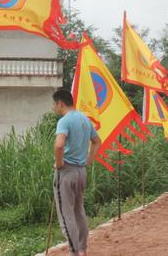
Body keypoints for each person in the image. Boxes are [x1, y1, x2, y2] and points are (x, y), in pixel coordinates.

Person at [52, 89, 101, 256]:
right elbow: (96, 141)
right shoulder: (84, 119)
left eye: (55, 105)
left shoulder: (64, 121)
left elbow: (59, 145)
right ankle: (82, 249)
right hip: (81, 172)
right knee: (79, 210)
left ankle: (73, 252)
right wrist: (89, 160)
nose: (55, 108)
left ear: (60, 103)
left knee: (67, 216)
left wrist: (59, 163)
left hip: (66, 172)